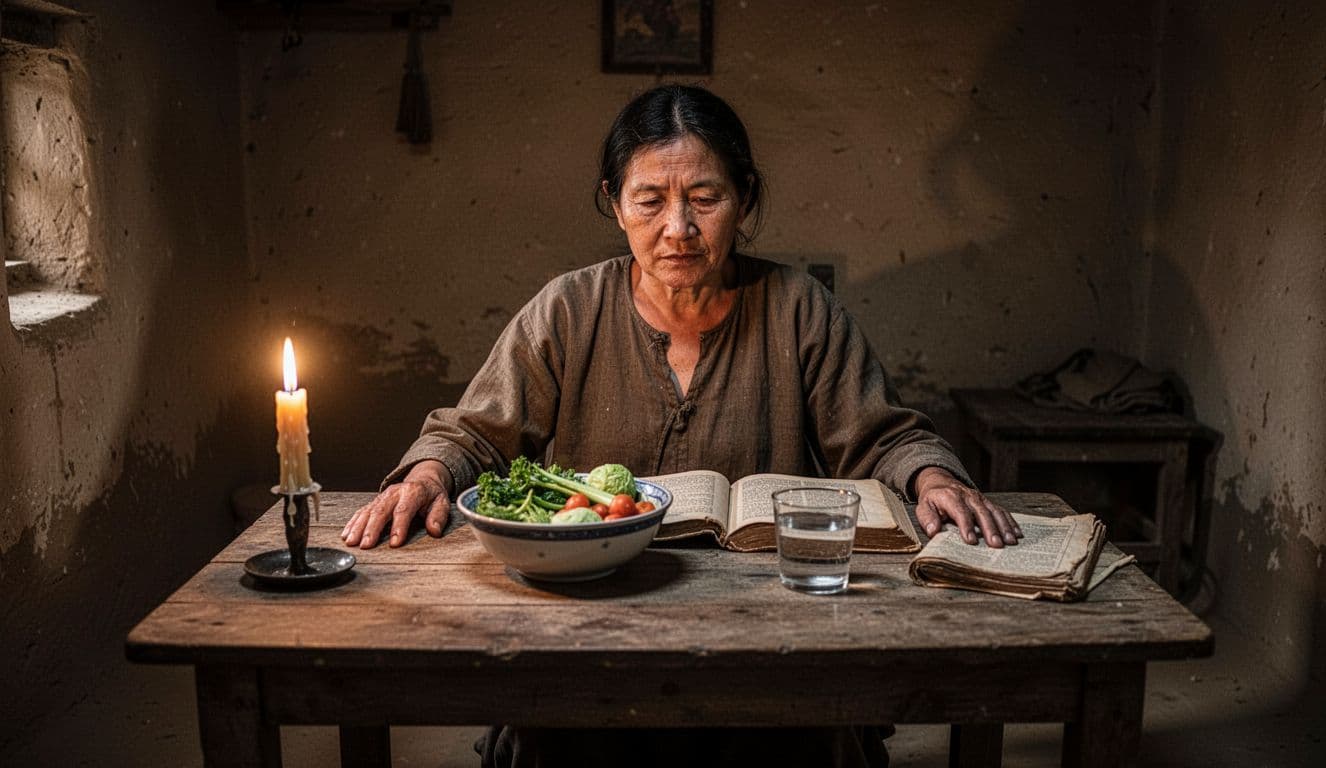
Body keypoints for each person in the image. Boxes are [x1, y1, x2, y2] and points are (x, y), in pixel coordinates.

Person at [341, 84, 1021, 767]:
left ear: (745, 200)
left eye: (704, 198)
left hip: (767, 633)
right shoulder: (568, 309)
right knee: (557, 739)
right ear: (614, 202)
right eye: (650, 200)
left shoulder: (799, 309)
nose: (678, 229)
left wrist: (932, 475)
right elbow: (475, 433)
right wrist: (429, 472)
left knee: (805, 738)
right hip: (592, 627)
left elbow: (883, 436)